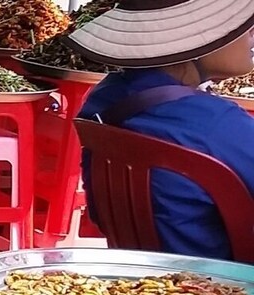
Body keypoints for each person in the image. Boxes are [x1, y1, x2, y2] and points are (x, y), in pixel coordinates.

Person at [70, 0, 254, 260]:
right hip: (221, 288)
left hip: (146, 282)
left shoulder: (104, 96)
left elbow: (98, 215)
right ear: (199, 40)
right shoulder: (217, 123)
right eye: (241, 25)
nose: (252, 32)